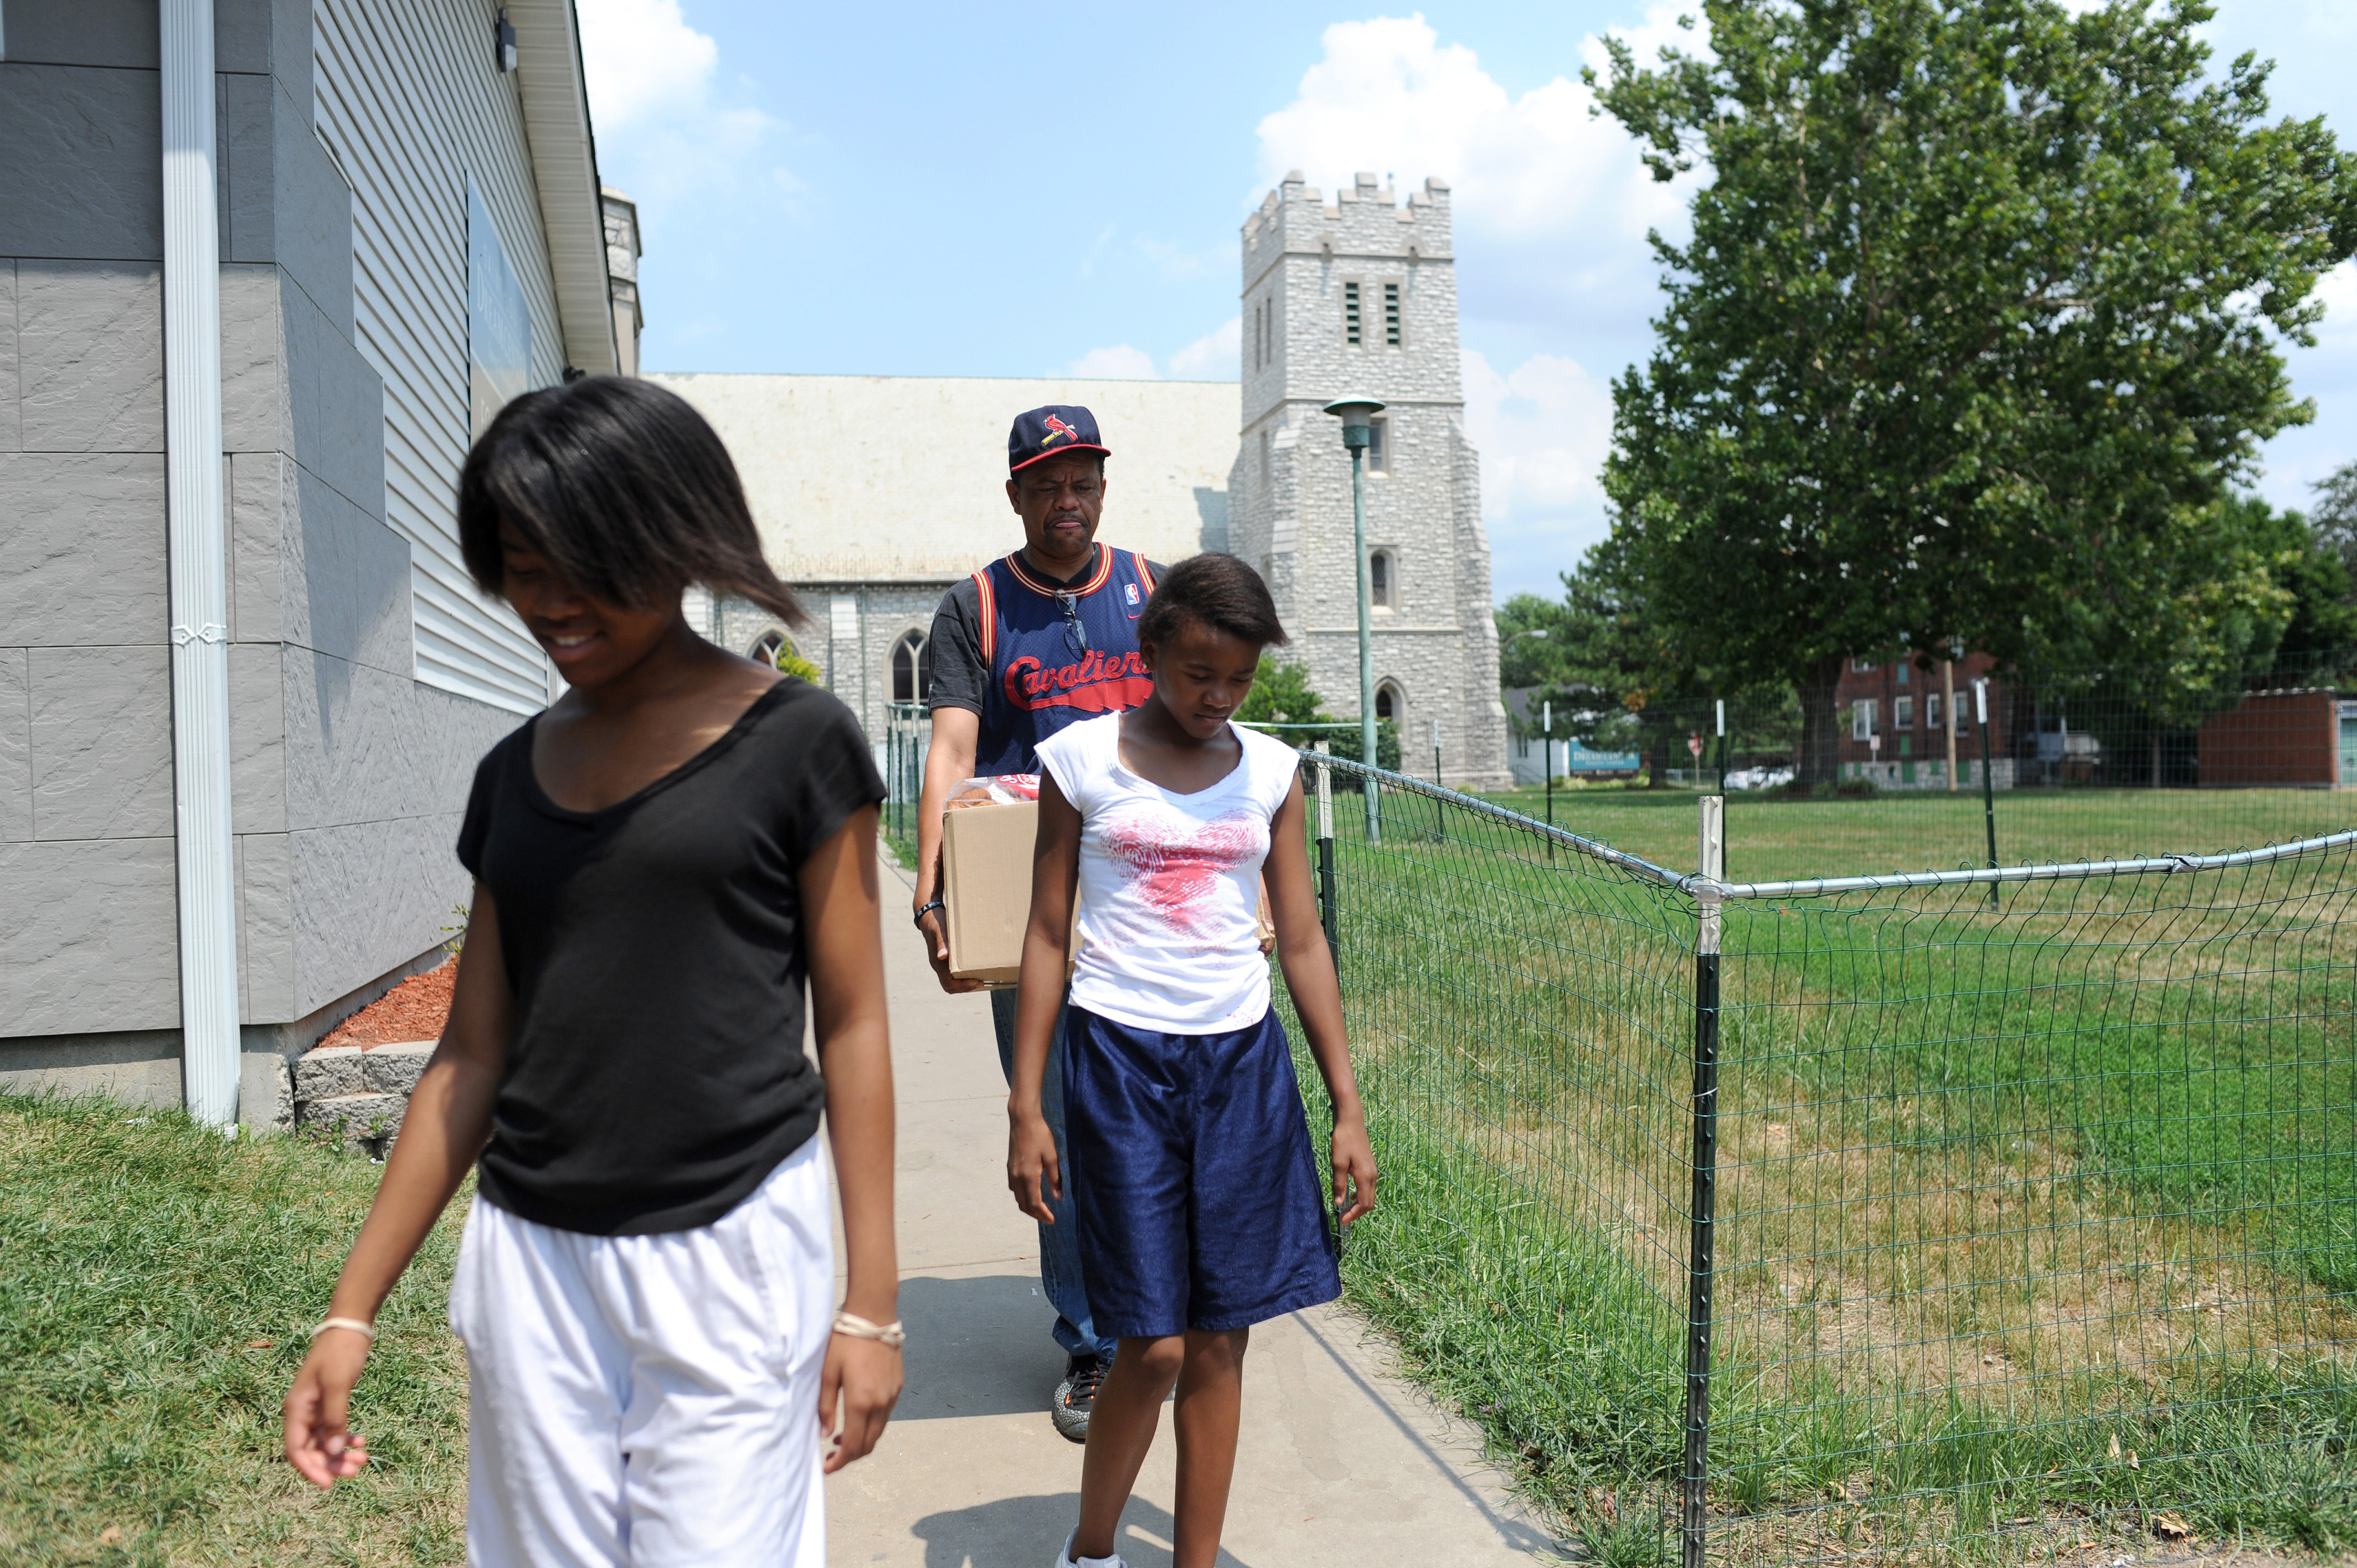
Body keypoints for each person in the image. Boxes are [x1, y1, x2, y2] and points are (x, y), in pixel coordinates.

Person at [280, 377, 902, 1566]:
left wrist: (870, 1303)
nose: (549, 601)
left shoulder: (798, 743)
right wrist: (350, 1308)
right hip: (532, 1261)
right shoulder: (511, 776)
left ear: (675, 542)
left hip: (734, 1246)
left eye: (582, 562)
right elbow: (470, 1056)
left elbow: (857, 1025)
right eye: (520, 566)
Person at [1007, 553, 1380, 1568]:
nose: (1217, 699)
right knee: (1153, 1339)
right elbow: (1046, 933)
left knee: (1222, 1336)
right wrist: (1025, 1107)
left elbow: (1301, 940)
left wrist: (1346, 1106)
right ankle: (1091, 1552)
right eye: (1196, 675)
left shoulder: (1271, 773)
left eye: (1239, 682)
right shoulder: (1080, 761)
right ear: (1153, 650)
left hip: (1242, 1070)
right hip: (1120, 1063)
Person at [911, 404, 1161, 1441]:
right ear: (1015, 493)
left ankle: (1161, 1318)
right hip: (1030, 896)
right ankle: (1096, 1342)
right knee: (1052, 1113)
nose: (1070, 500)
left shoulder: (1152, 592)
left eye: (1085, 480)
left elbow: (1206, 726)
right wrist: (935, 890)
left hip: (1148, 894)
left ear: (1104, 485)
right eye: (1050, 484)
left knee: (1150, 1111)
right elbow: (954, 753)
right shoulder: (975, 605)